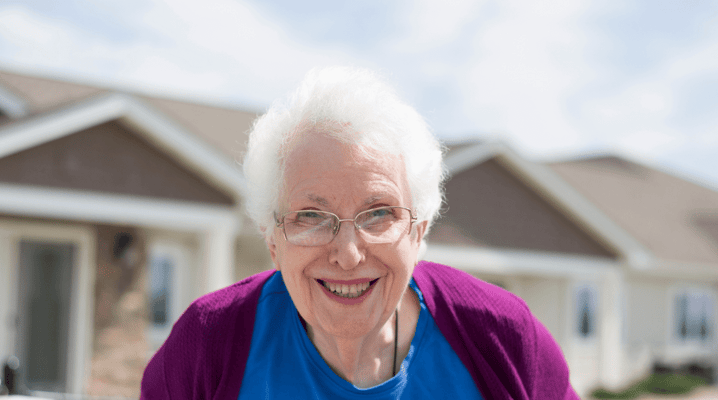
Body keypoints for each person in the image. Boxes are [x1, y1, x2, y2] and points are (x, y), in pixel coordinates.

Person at [140, 67, 579, 399]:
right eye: (311, 216)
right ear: (272, 241)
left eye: (378, 213)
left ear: (418, 232)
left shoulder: (502, 337)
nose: (347, 254)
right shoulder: (207, 343)